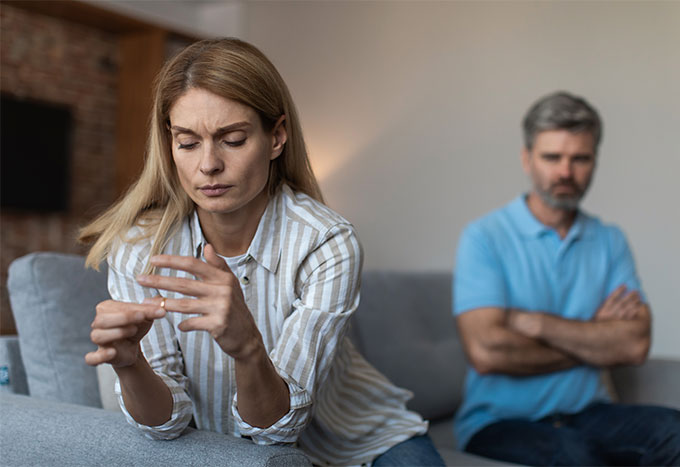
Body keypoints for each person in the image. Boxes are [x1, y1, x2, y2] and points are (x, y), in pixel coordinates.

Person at [80, 38, 444, 467]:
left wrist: (247, 346)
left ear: (276, 137)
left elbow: (278, 429)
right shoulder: (141, 247)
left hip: (360, 438)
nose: (208, 164)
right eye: (188, 142)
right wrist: (129, 366)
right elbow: (166, 424)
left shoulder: (327, 242)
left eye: (232, 139)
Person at [452, 91, 680, 466]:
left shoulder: (609, 239)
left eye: (579, 158)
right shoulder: (484, 237)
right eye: (552, 157)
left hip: (588, 413)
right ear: (527, 159)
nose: (565, 172)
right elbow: (487, 352)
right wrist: (594, 338)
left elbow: (634, 344)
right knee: (575, 456)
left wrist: (533, 323)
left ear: (595, 161)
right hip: (499, 423)